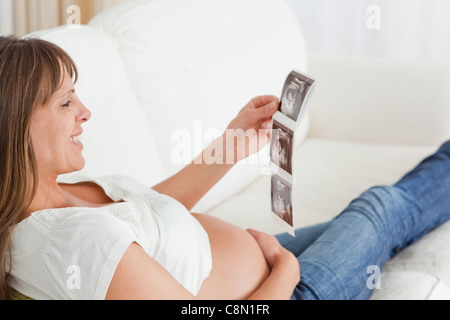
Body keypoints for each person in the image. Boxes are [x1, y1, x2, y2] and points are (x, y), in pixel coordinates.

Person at [1, 36, 450, 301]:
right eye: (65, 102)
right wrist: (284, 270)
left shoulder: (61, 193)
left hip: (266, 261)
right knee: (381, 206)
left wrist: (234, 141)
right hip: (285, 290)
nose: (85, 112)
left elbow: (152, 215)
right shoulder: (73, 241)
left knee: (378, 215)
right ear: (15, 126)